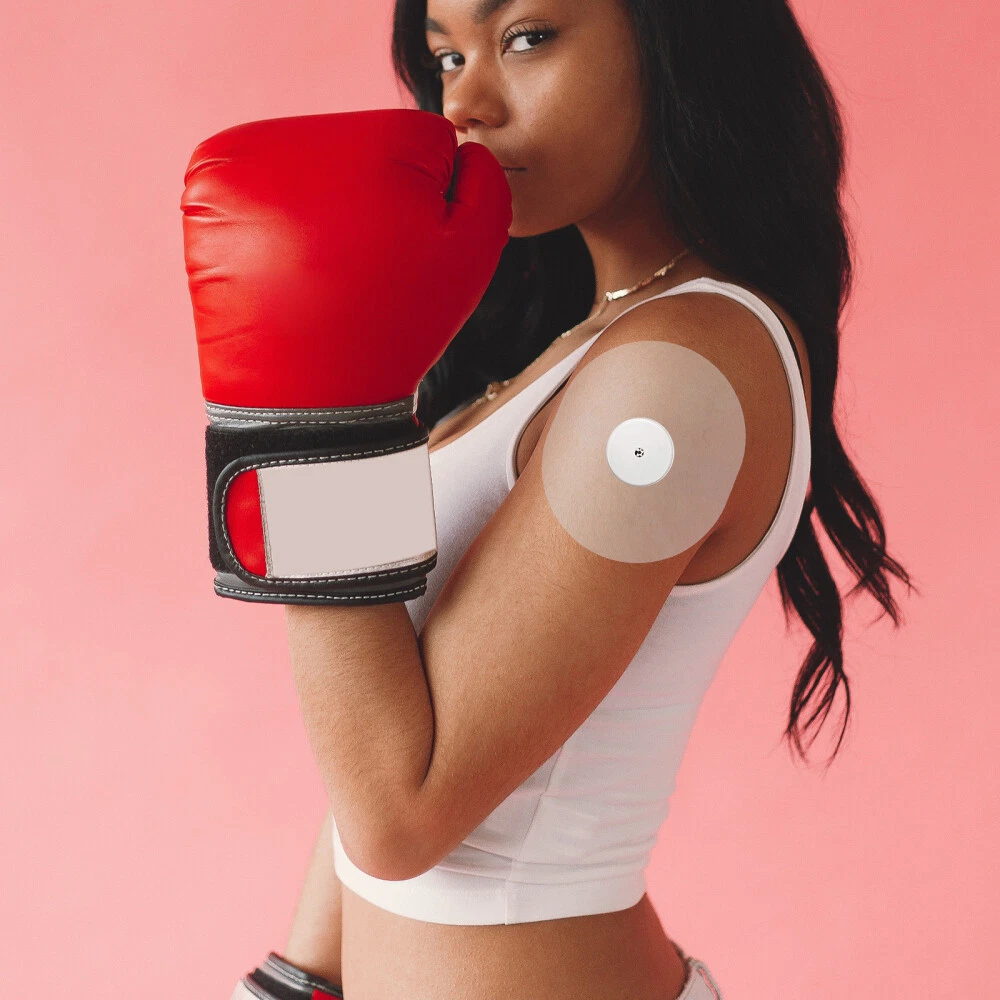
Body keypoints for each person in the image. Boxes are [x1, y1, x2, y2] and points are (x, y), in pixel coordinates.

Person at [220, 0, 915, 997]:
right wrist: (294, 981)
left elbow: (402, 813)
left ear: (678, 36)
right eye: (446, 57)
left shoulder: (673, 374)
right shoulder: (580, 346)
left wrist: (315, 420)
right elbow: (385, 714)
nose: (464, 102)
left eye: (526, 37)